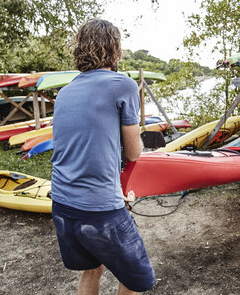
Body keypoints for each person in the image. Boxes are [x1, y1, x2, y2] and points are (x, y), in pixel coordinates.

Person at [50, 18, 155, 295]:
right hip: (99, 210)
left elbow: (81, 148)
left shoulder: (64, 92)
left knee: (93, 268)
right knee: (136, 279)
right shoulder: (123, 85)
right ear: (115, 50)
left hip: (62, 206)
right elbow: (134, 152)